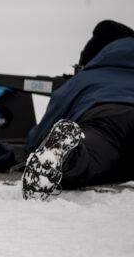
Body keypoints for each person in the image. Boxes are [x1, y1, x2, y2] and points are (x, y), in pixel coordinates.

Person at [22, 20, 134, 200]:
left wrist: (34, 145)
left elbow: (53, 117)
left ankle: (65, 152)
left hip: (104, 121)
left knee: (89, 157)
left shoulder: (86, 77)